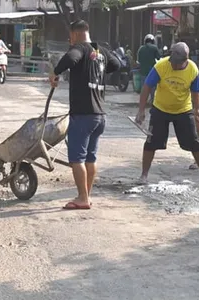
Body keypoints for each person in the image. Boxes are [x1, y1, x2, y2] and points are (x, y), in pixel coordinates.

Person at [49, 20, 120, 210]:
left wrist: (55, 73)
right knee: (90, 158)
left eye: (70, 37)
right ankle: (86, 195)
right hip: (99, 116)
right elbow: (117, 64)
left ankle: (82, 197)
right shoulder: (100, 51)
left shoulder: (79, 48)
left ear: (75, 34)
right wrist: (98, 67)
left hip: (83, 115)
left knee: (77, 159)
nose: (70, 41)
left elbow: (70, 59)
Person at [135, 42, 199, 186]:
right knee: (151, 142)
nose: (173, 65)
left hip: (183, 110)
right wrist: (141, 110)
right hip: (160, 109)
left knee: (194, 142)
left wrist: (198, 109)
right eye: (172, 61)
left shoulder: (193, 69)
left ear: (184, 61)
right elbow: (146, 87)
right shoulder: (161, 66)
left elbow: (196, 91)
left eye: (176, 63)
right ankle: (144, 175)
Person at [137, 34, 161, 101]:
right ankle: (153, 100)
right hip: (152, 71)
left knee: (143, 86)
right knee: (153, 86)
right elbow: (159, 58)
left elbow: (138, 60)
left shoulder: (141, 48)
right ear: (153, 41)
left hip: (143, 71)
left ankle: (143, 100)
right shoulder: (154, 48)